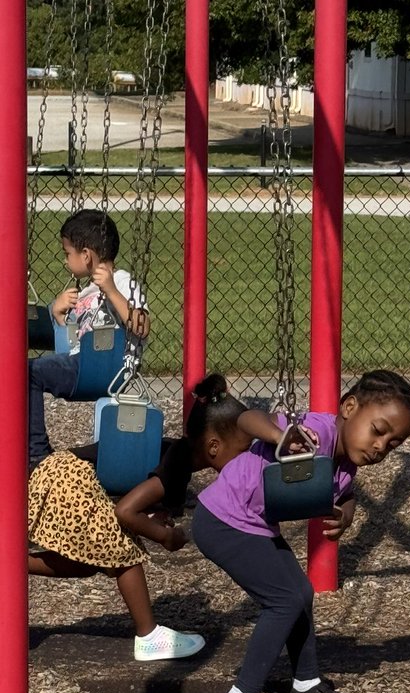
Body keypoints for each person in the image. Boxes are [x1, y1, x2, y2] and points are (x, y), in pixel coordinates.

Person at [191, 369, 410, 693]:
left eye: (392, 444)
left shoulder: (347, 464)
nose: (381, 446)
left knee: (299, 594)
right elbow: (247, 419)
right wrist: (281, 435)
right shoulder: (315, 432)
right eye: (378, 430)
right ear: (349, 408)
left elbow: (345, 493)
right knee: (285, 599)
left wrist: (346, 515)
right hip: (224, 520)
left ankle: (305, 685)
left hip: (254, 524)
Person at [28, 373, 252, 662]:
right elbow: (125, 512)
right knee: (123, 548)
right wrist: (165, 537)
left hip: (62, 473)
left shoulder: (179, 458)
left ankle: (8, 564)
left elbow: (141, 503)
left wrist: (157, 520)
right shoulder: (177, 463)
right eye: (243, 451)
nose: (245, 459)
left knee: (87, 564)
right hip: (69, 478)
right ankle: (148, 636)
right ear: (213, 446)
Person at [28, 208, 151, 467]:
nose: (65, 261)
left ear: (86, 255)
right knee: (29, 371)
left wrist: (111, 290)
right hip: (83, 364)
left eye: (67, 253)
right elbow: (70, 342)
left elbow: (141, 326)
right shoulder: (85, 292)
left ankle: (36, 454)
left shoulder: (123, 282)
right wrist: (57, 312)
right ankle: (37, 451)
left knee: (30, 372)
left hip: (112, 369)